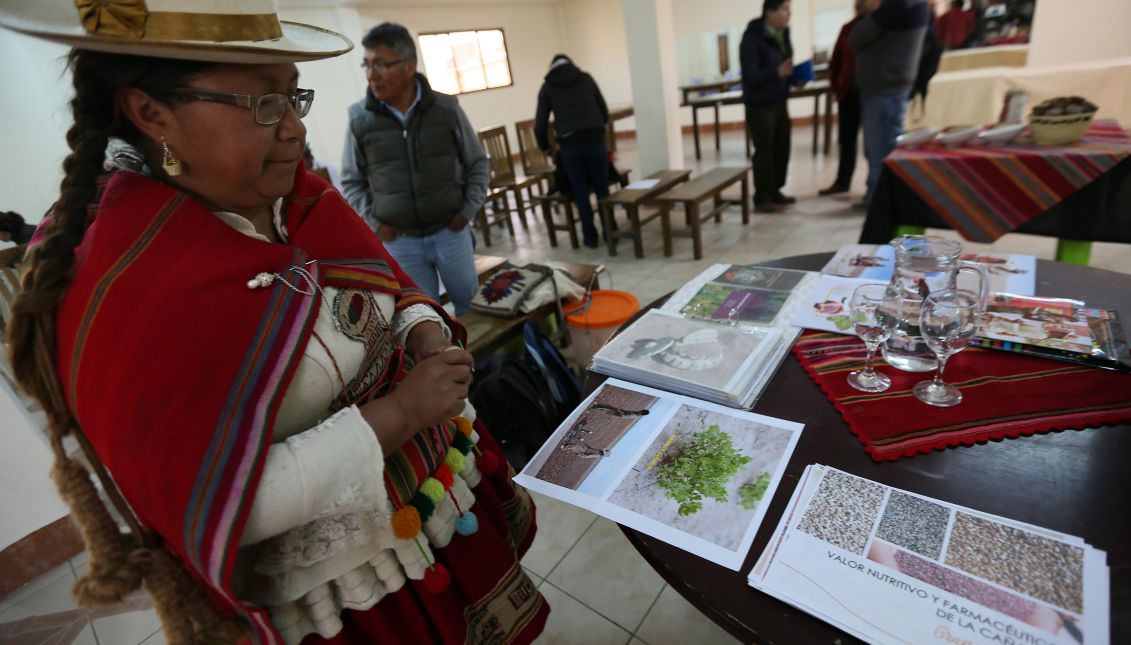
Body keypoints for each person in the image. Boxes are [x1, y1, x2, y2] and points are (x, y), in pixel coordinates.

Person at [0, 2, 547, 644]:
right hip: (354, 586)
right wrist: (401, 413)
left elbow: (389, 288)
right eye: (263, 105)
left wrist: (420, 329)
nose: (293, 130)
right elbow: (225, 497)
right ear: (151, 113)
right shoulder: (131, 291)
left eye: (294, 98)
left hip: (437, 506)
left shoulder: (302, 198)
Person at [341, 23, 488, 315]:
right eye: (367, 65)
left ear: (409, 67)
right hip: (400, 242)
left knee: (470, 308)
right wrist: (376, 224)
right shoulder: (360, 119)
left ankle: (482, 363)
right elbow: (351, 181)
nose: (372, 75)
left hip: (451, 232)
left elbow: (477, 163)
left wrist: (465, 212)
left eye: (381, 65)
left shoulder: (446, 109)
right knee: (424, 315)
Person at [850, 0, 930, 208]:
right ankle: (877, 199)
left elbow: (857, 37)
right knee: (878, 150)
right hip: (885, 88)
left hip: (885, 89)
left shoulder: (900, 5)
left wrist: (871, 12)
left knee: (882, 154)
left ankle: (880, 205)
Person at [534, 54, 611, 249]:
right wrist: (596, 129)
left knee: (580, 192)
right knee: (602, 189)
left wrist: (546, 149)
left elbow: (539, 125)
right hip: (594, 139)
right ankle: (611, 233)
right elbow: (604, 111)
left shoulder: (548, 87)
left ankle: (590, 238)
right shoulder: (585, 78)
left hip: (569, 144)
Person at [741, 0, 800, 213]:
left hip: (779, 101)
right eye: (785, 9)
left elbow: (786, 66)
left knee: (781, 148)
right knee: (764, 150)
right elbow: (750, 74)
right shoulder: (752, 38)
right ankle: (762, 195)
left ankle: (775, 190)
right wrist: (776, 72)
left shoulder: (782, 35)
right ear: (769, 12)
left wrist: (795, 78)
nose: (789, 13)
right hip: (760, 105)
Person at [818, 0, 877, 197]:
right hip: (848, 94)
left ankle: (874, 187)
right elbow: (836, 61)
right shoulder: (848, 28)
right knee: (846, 141)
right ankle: (842, 181)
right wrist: (838, 87)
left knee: (873, 143)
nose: (860, 4)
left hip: (871, 94)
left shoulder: (881, 26)